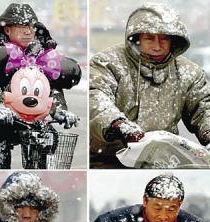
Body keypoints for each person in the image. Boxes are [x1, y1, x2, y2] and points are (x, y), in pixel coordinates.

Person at [90, 3, 210, 168]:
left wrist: (208, 131)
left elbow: (203, 108)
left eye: (164, 39)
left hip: (164, 159)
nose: (157, 46)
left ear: (173, 40)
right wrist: (118, 124)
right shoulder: (107, 63)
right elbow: (96, 97)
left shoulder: (189, 73)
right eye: (149, 38)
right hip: (110, 158)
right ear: (136, 38)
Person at [0, 3, 82, 169]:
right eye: (22, 27)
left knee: (45, 149)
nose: (28, 31)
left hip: (31, 119)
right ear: (7, 30)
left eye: (31, 27)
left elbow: (50, 89)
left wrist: (59, 111)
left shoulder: (42, 57)